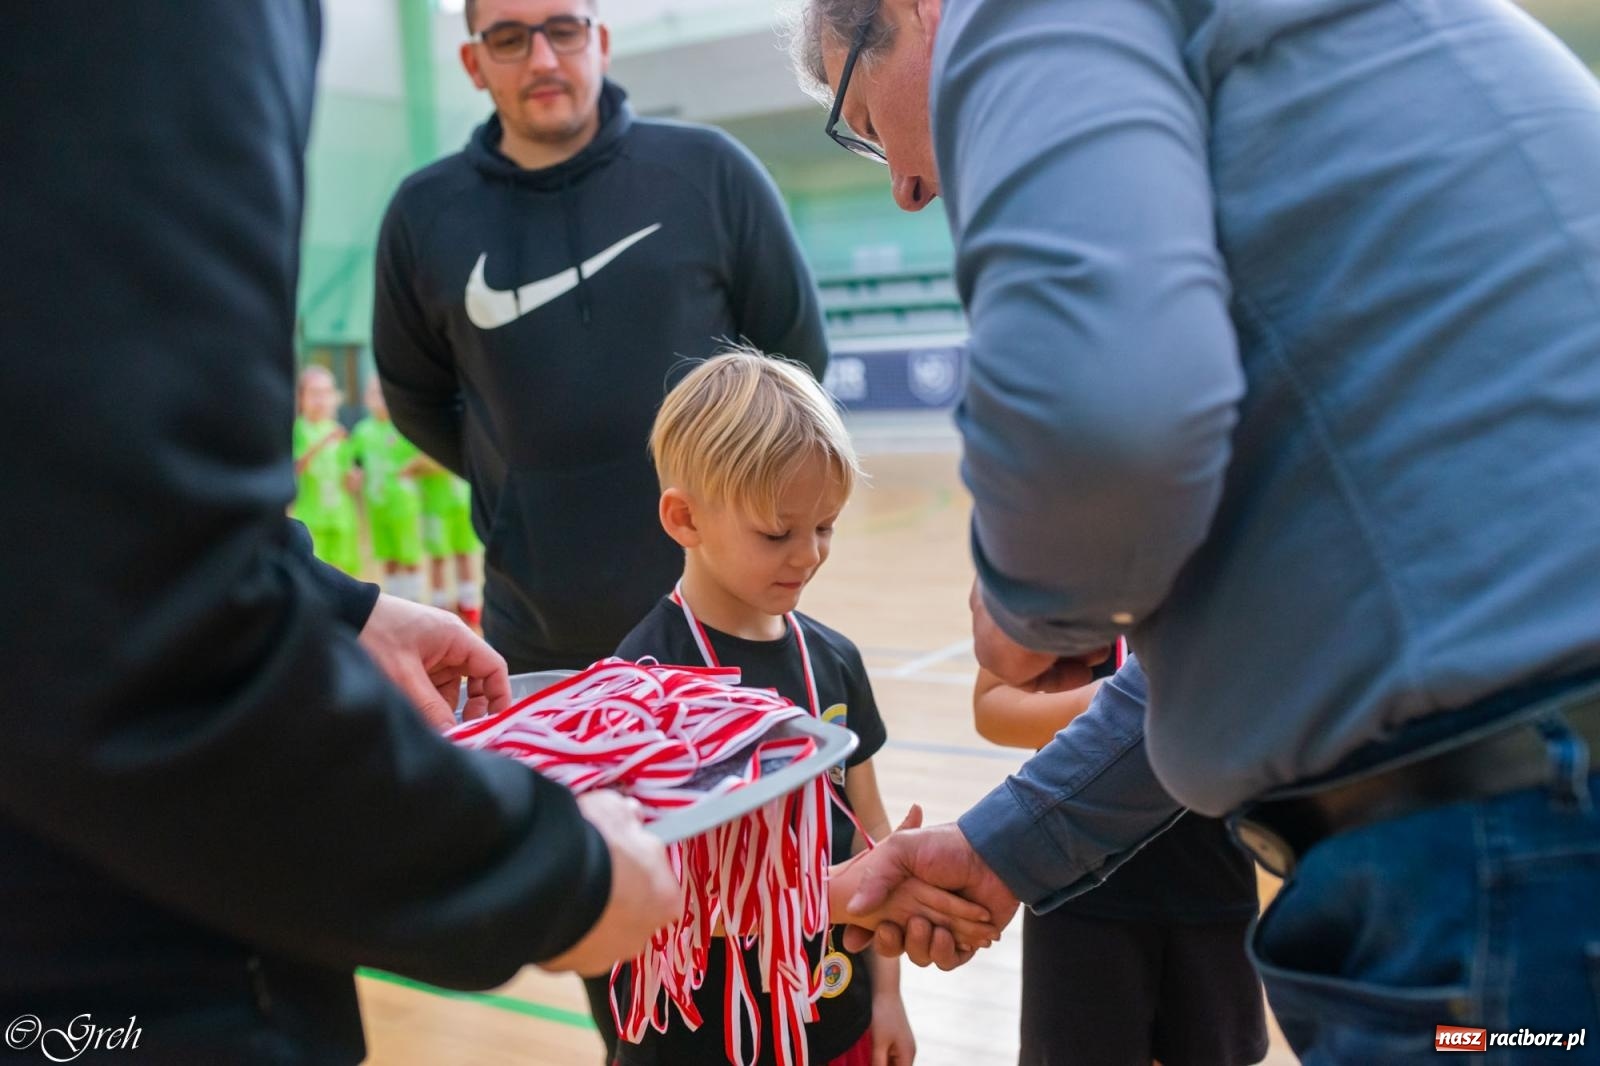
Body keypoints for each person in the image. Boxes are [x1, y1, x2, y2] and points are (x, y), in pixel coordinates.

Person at [792, 0, 1600, 1059]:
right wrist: (999, 850)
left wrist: (1025, 601)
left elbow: (1107, 427)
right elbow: (1271, 637)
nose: (902, 183)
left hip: (1492, 851)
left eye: (861, 118)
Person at [0, 4, 687, 1061]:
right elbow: (133, 617)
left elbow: (62, 468)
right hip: (112, 971)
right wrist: (554, 875)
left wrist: (333, 604)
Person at [373, 0, 830, 679]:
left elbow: (796, 365)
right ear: (473, 62)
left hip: (721, 625)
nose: (543, 58)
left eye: (564, 29)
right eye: (509, 38)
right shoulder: (424, 214)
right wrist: (524, 493)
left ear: (601, 41)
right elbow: (415, 399)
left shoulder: (711, 172)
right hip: (531, 635)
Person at [607, 350, 920, 1065]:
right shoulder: (641, 680)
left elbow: (869, 835)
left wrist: (888, 996)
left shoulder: (834, 659)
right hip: (694, 1044)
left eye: (826, 527)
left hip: (836, 1022)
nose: (808, 555)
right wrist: (820, 901)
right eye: (778, 533)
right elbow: (645, 891)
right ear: (685, 518)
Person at [974, 655, 1266, 1066]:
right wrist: (1111, 709)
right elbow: (990, 707)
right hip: (1076, 889)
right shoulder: (1065, 589)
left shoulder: (1233, 593)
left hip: (1214, 879)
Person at [350, 375, 428, 603]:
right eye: (375, 393)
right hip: (377, 506)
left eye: (384, 393)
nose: (380, 399)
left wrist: (412, 467)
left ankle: (415, 601)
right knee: (389, 555)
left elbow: (425, 455)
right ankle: (396, 601)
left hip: (404, 504)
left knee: (410, 553)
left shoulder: (404, 428)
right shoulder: (362, 432)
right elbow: (355, 463)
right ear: (366, 398)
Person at [292, 365, 361, 575]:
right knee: (314, 575)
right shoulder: (297, 430)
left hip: (341, 518)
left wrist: (355, 478)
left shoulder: (338, 431)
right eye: (314, 393)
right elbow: (294, 468)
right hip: (311, 519)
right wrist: (321, 444)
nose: (321, 400)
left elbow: (349, 481)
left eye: (327, 392)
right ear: (301, 398)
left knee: (343, 575)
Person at [418, 463, 485, 627]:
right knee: (438, 557)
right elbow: (418, 464)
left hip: (462, 501)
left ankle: (469, 604)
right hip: (436, 505)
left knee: (465, 553)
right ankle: (440, 606)